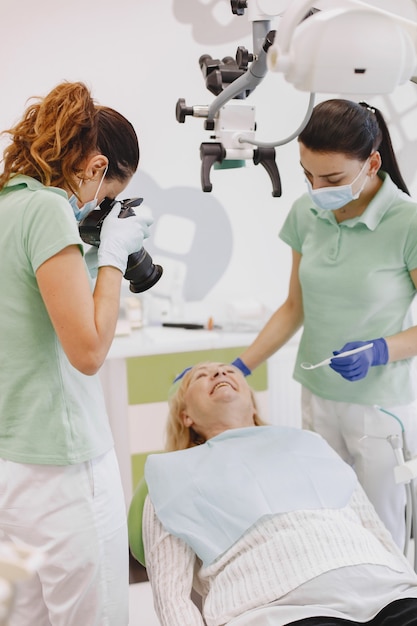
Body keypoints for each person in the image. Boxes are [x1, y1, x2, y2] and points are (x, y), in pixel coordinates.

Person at [231, 98, 417, 548]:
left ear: (371, 163)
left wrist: (379, 350)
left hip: (379, 407)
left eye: (331, 178)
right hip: (317, 397)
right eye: (307, 174)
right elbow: (295, 307)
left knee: (384, 536)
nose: (317, 188)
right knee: (330, 525)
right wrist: (239, 367)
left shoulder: (407, 223)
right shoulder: (306, 213)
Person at [0, 81, 153, 626]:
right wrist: (112, 256)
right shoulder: (47, 211)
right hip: (65, 471)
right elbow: (88, 352)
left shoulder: (9, 203)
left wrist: (90, 255)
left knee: (25, 619)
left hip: (12, 465)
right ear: (94, 166)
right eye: (107, 194)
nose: (100, 207)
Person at [140, 361, 417, 626]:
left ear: (251, 400)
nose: (219, 373)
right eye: (201, 375)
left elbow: (375, 531)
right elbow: (172, 597)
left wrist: (409, 581)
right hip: (278, 609)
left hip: (387, 590)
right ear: (185, 415)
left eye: (228, 370)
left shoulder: (310, 444)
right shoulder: (172, 474)